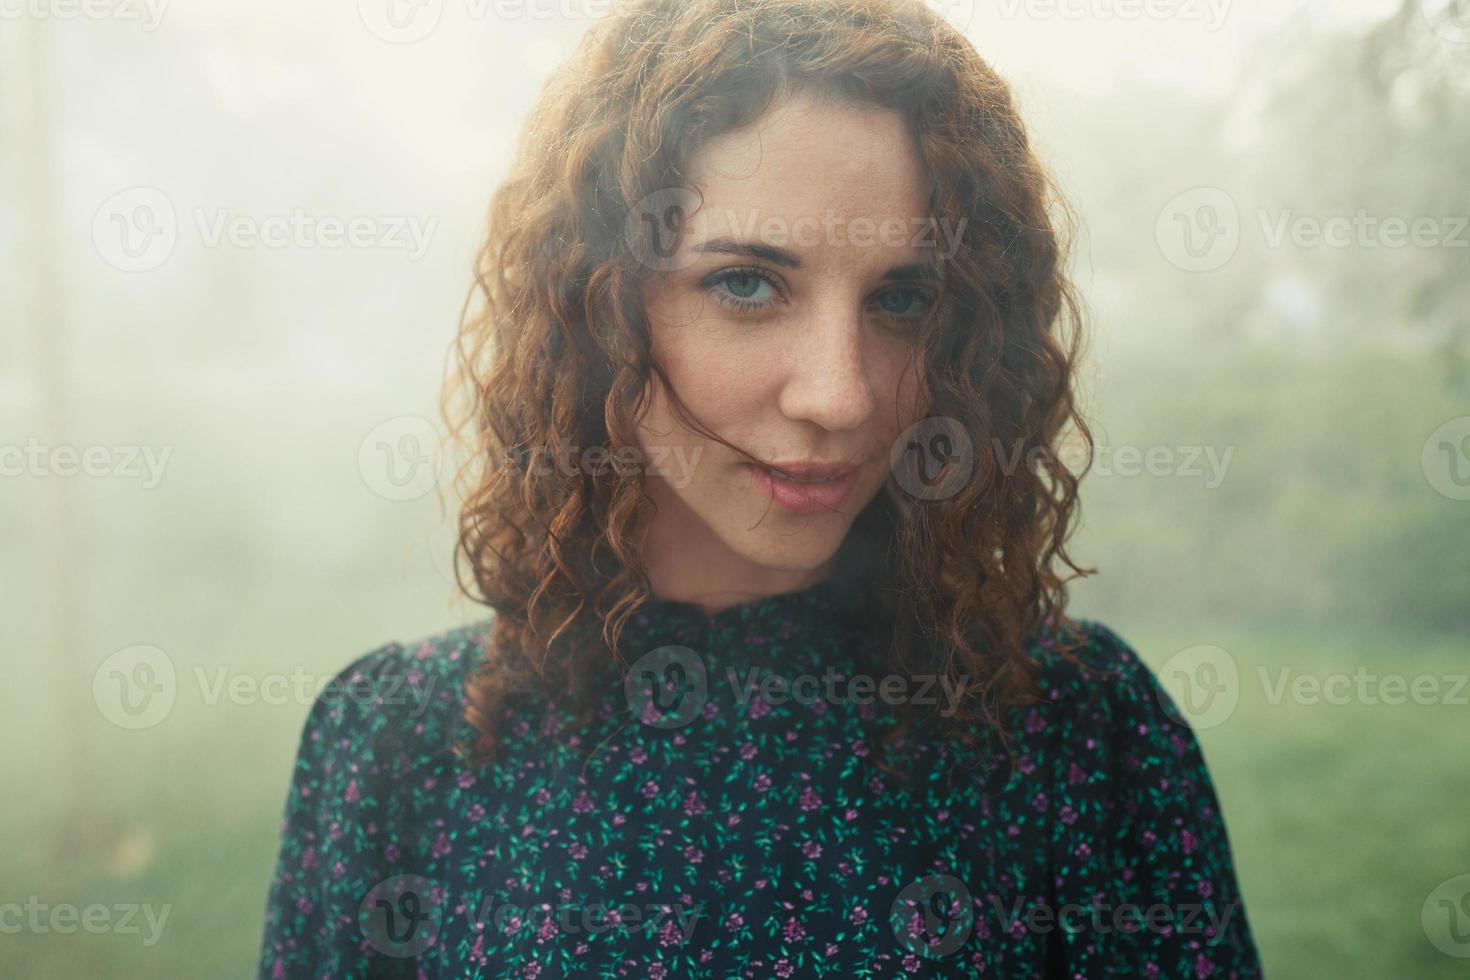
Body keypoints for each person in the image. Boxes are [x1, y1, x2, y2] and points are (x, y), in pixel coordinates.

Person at [258, 0, 1262, 975]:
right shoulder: (393, 738)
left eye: (903, 299)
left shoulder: (1072, 729)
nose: (841, 392)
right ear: (598, 307)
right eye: (746, 283)